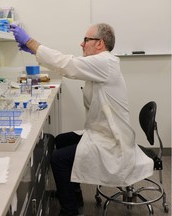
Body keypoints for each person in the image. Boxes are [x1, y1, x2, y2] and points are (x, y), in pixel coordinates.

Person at [10, 23, 154, 216]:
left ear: (100, 44)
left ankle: (70, 210)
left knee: (58, 159)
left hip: (112, 142)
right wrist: (35, 51)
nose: (81, 43)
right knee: (61, 140)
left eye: (86, 40)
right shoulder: (101, 64)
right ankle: (73, 195)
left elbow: (68, 64)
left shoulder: (105, 62)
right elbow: (67, 66)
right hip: (101, 133)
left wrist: (31, 42)